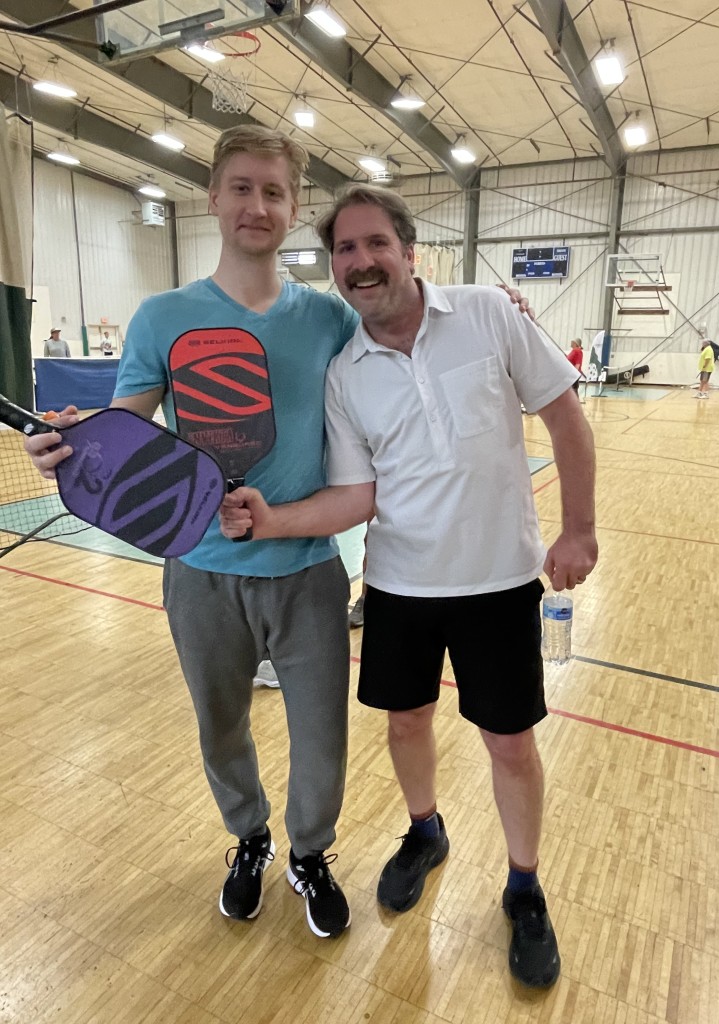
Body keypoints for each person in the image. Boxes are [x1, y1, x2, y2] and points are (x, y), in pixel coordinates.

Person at [219, 184, 598, 989]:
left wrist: (578, 528)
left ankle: (524, 887)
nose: (361, 263)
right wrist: (269, 519)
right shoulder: (346, 370)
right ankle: (425, 831)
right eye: (345, 251)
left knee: (510, 745)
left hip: (498, 582)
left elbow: (565, 416)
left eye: (374, 244)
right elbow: (360, 496)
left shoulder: (490, 316)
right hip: (398, 585)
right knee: (405, 726)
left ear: (409, 249)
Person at [24, 125, 364, 940]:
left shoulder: (331, 320)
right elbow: (120, 426)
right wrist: (64, 441)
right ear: (212, 198)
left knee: (323, 739)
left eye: (274, 191)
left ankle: (309, 853)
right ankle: (248, 839)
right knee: (220, 726)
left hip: (309, 569)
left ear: (293, 207)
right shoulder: (162, 316)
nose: (257, 205)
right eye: (241, 187)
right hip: (200, 573)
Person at [697, 333, 715, 398]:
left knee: (705, 381)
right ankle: (699, 393)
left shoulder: (709, 349)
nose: (702, 343)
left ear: (706, 343)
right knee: (702, 380)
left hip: (707, 368)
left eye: (703, 342)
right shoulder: (706, 349)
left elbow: (708, 358)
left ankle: (706, 394)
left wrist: (704, 366)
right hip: (704, 368)